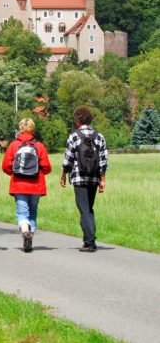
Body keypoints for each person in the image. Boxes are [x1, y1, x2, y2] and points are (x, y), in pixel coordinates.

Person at [60, 106, 108, 252]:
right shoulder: (99, 137)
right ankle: (90, 239)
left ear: (78, 120)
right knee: (89, 208)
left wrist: (63, 175)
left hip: (79, 178)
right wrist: (103, 179)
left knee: (83, 209)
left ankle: (90, 242)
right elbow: (103, 161)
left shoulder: (74, 136)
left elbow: (68, 159)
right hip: (94, 178)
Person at [2, 118, 52, 252]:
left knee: (22, 212)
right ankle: (31, 238)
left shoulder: (13, 145)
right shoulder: (39, 146)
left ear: (20, 128)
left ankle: (25, 233)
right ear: (32, 129)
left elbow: (5, 166)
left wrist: (15, 173)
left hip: (19, 184)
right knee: (33, 212)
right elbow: (47, 167)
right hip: (36, 185)